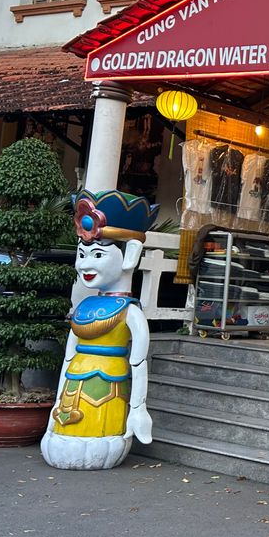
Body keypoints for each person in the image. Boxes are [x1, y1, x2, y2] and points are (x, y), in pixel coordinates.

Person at [42, 190, 158, 471]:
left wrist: (138, 408)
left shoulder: (130, 312)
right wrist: (56, 401)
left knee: (100, 431)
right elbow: (68, 357)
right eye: (81, 254)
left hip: (109, 386)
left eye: (96, 254)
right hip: (73, 384)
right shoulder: (85, 306)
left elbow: (139, 363)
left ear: (130, 256)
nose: (84, 264)